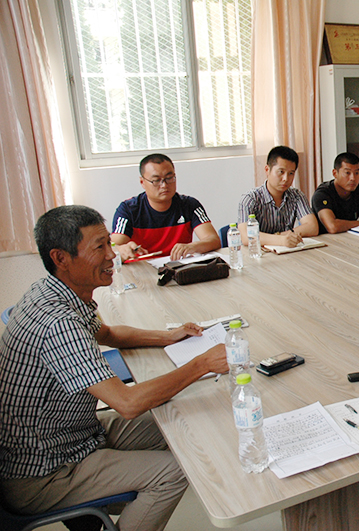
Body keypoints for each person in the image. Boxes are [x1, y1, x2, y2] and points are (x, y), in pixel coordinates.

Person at [0, 205, 228, 531]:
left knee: (181, 420)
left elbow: (108, 334)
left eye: (109, 243)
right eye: (99, 247)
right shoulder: (58, 323)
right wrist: (202, 364)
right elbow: (128, 403)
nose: (112, 255)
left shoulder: (54, 292)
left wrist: (167, 336)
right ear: (61, 258)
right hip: (47, 470)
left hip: (76, 433)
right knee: (177, 471)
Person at [111, 153, 221, 261]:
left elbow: (214, 240)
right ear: (142, 182)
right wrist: (122, 249)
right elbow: (113, 246)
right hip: (143, 267)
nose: (164, 185)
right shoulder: (129, 209)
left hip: (179, 266)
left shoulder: (189, 205)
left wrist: (193, 246)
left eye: (169, 178)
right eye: (156, 180)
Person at [238, 145, 319, 248]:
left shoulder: (296, 196)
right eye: (281, 172)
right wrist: (281, 240)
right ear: (267, 170)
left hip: (287, 251)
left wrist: (283, 236)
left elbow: (312, 227)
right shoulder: (250, 199)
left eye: (291, 173)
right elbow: (246, 236)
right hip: (258, 253)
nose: (286, 178)